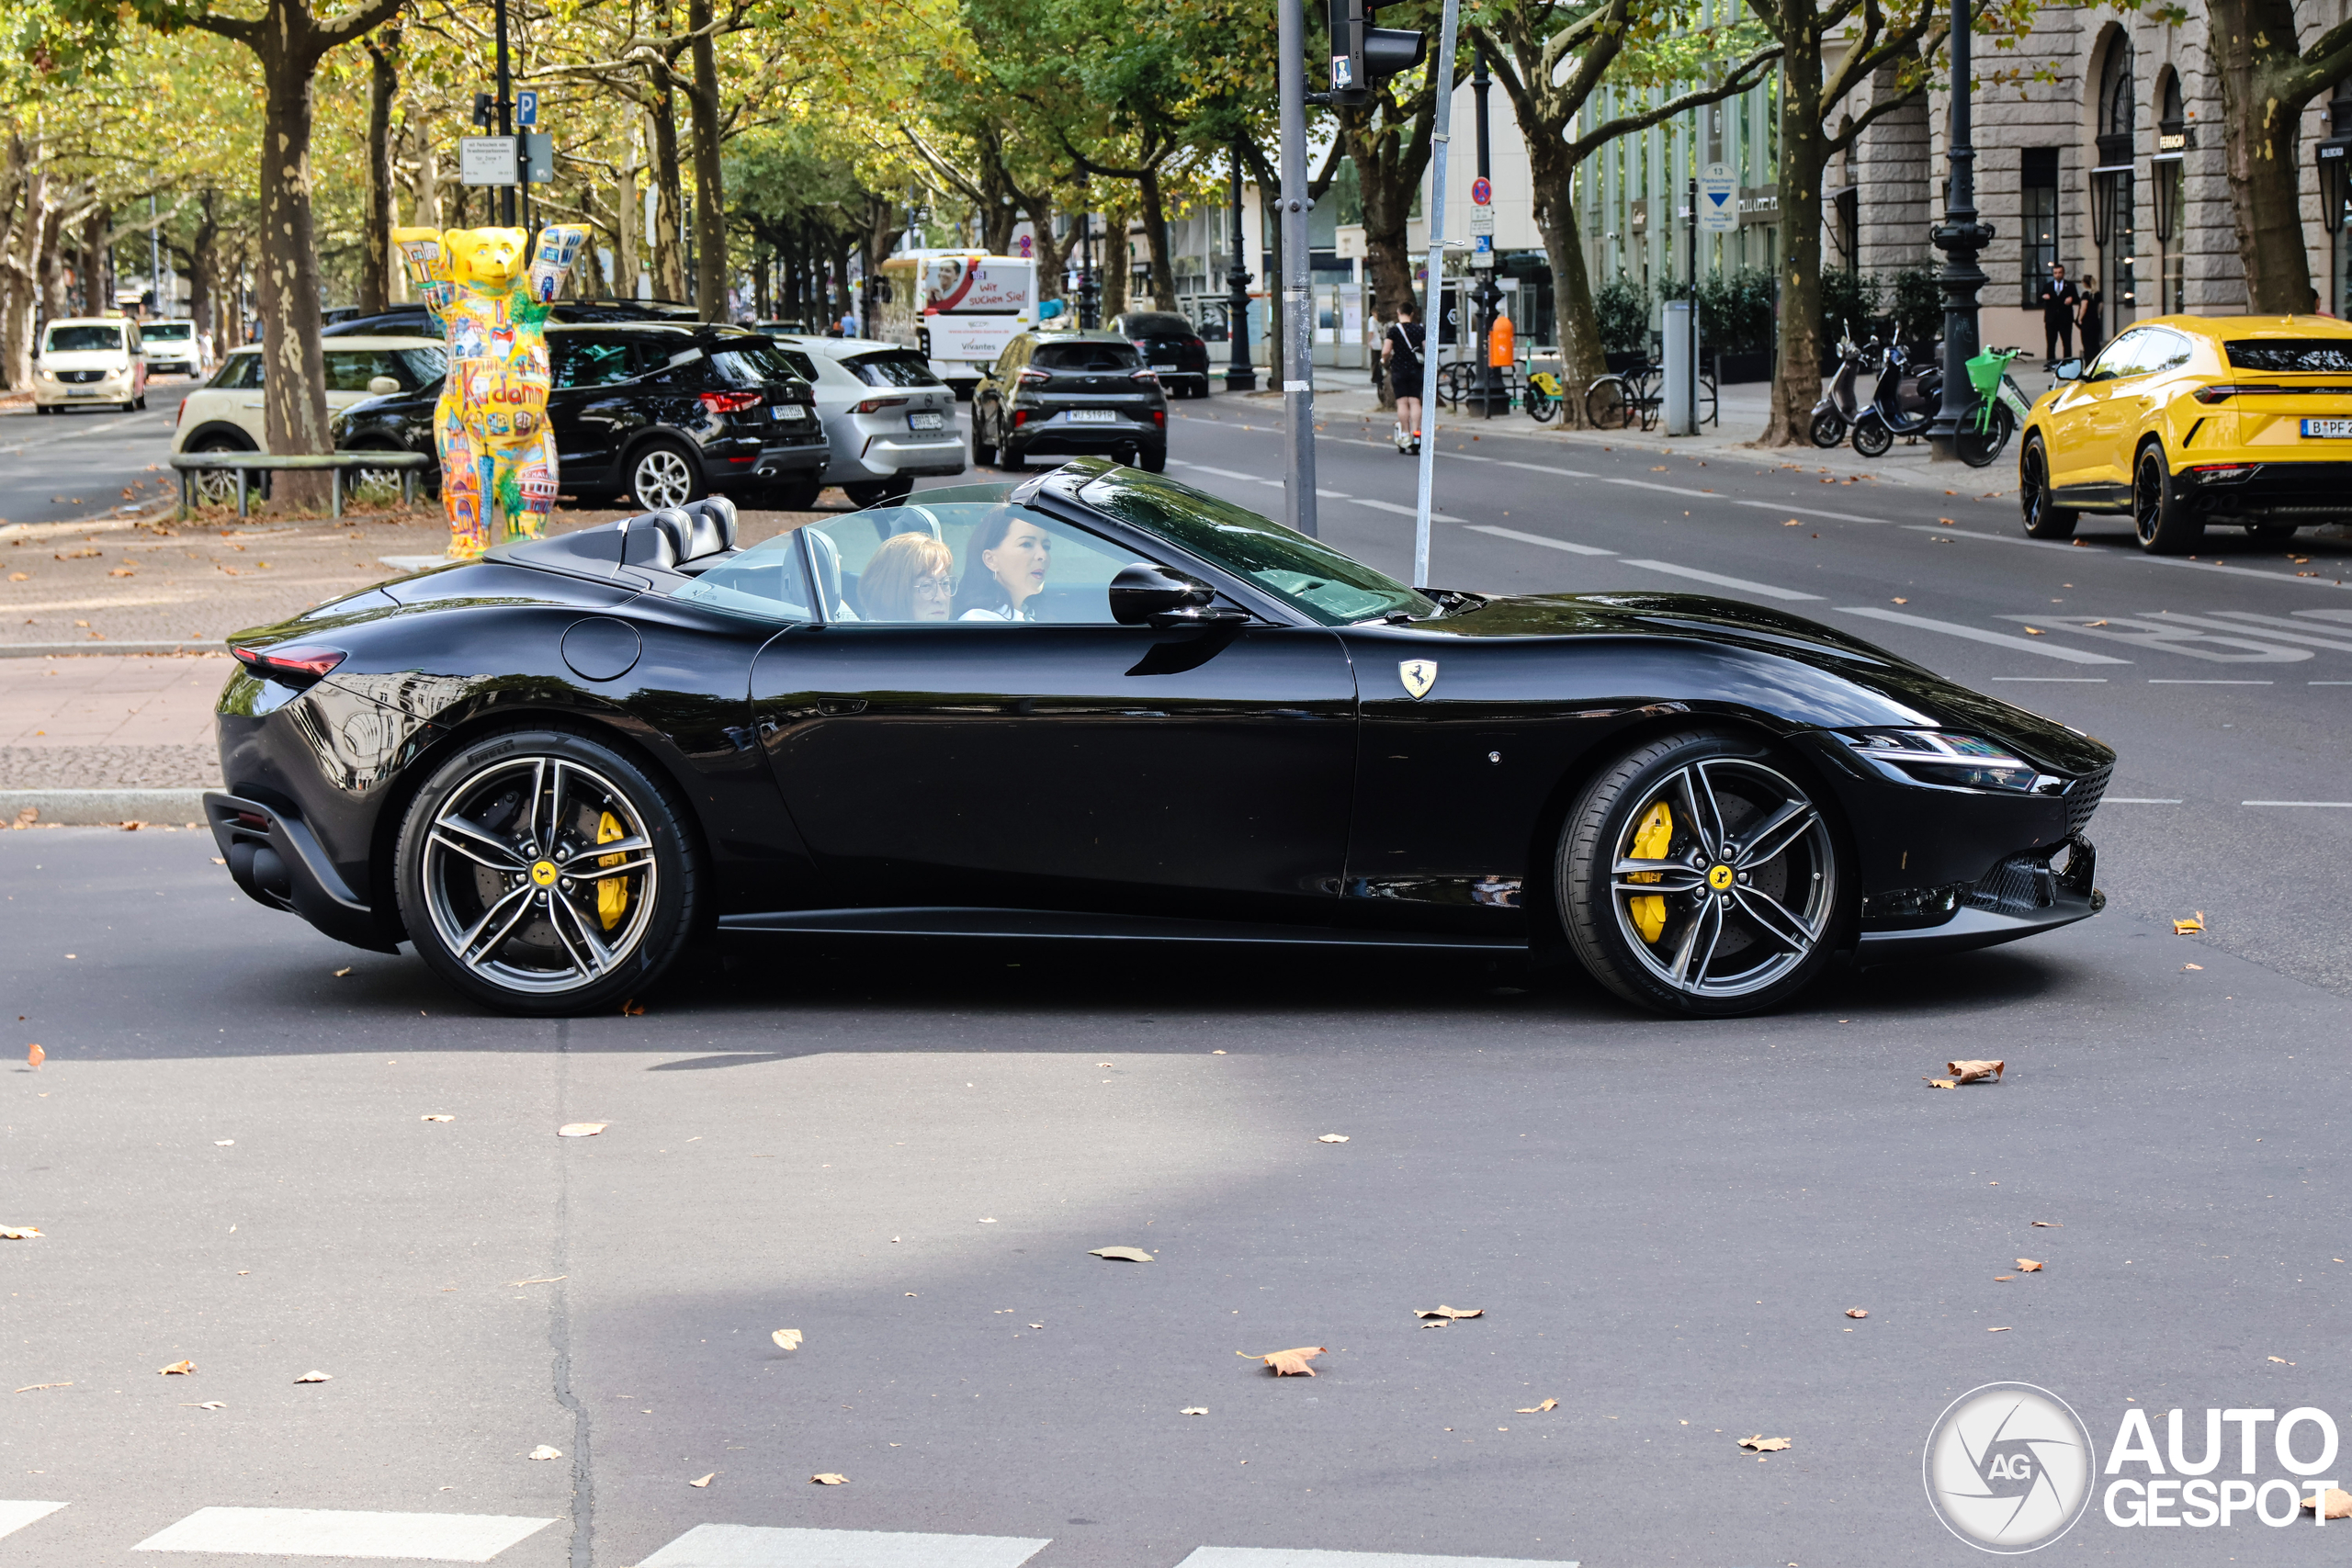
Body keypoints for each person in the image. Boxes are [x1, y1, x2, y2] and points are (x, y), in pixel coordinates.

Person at [954, 509, 1053, 620]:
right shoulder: (980, 623)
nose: (1043, 555)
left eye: (1046, 546)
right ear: (990, 560)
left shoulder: (1027, 618)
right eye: (1026, 544)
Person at [858, 531, 956, 622]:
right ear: (891, 592)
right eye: (926, 586)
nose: (941, 598)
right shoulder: (869, 639)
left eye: (945, 583)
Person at [1382, 303, 1427, 455]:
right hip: (1415, 369)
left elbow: (1386, 350)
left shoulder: (1394, 331)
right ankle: (1416, 433)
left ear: (1398, 312)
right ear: (1412, 313)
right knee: (1415, 401)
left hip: (1399, 370)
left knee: (1402, 402)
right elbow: (1427, 348)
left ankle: (1405, 433)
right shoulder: (1419, 329)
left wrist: (1384, 360)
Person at [2037, 263, 2077, 365]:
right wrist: (2043, 297)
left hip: (2065, 319)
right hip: (2051, 319)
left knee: (2067, 342)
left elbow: (2077, 299)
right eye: (2055, 273)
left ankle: (2067, 363)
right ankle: (2051, 363)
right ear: (2053, 274)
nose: (2058, 275)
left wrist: (2072, 299)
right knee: (2051, 343)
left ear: (2063, 273)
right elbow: (2038, 299)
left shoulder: (2070, 286)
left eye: (2059, 273)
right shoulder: (2048, 286)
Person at [2075, 274, 2105, 363]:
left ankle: (2088, 363)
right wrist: (2097, 314)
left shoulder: (2086, 294)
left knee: (2087, 345)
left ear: (2084, 283)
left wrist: (2080, 318)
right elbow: (2101, 306)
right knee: (2095, 344)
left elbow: (2084, 307)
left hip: (2087, 323)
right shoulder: (2097, 294)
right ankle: (2097, 362)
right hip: (2095, 322)